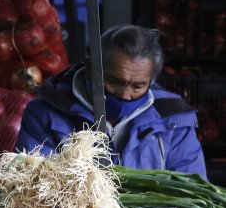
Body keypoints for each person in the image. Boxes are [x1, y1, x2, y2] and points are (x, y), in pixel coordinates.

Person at [16, 24, 207, 177]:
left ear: (151, 81)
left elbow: (193, 187)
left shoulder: (173, 118)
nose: (125, 94)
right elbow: (31, 181)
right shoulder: (44, 111)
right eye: (115, 81)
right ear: (91, 68)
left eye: (137, 86)